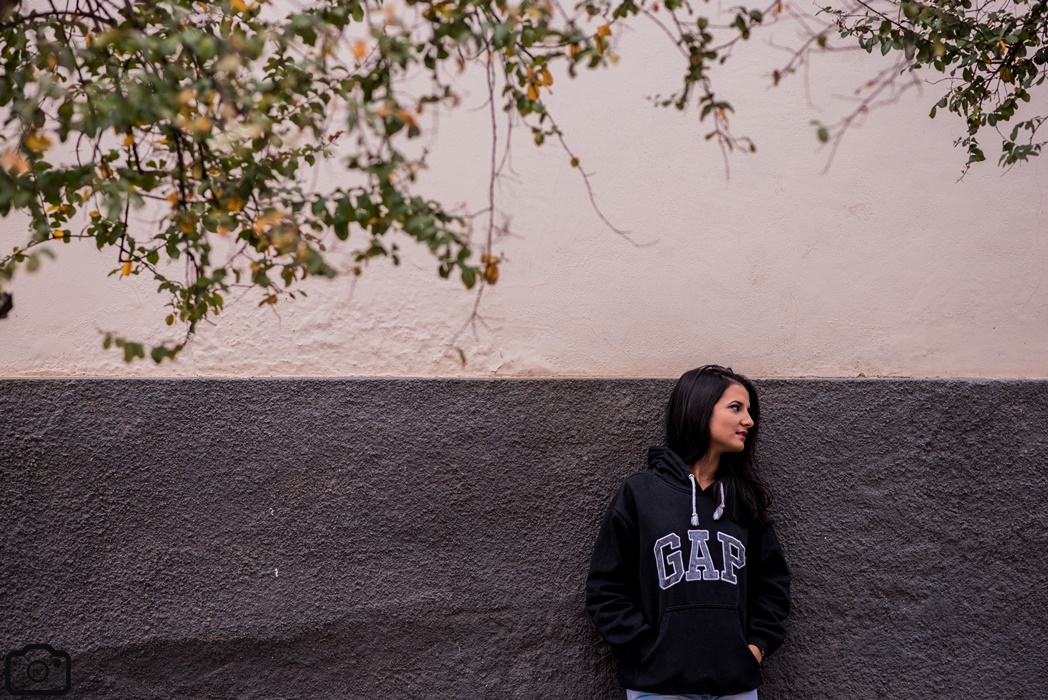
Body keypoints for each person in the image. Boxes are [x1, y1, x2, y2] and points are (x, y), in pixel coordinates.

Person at [586, 365, 790, 700]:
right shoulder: (641, 494)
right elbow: (606, 588)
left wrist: (754, 648)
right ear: (699, 409)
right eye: (736, 408)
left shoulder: (743, 499)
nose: (749, 421)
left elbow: (772, 584)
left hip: (735, 686)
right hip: (658, 687)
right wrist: (648, 648)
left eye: (749, 410)